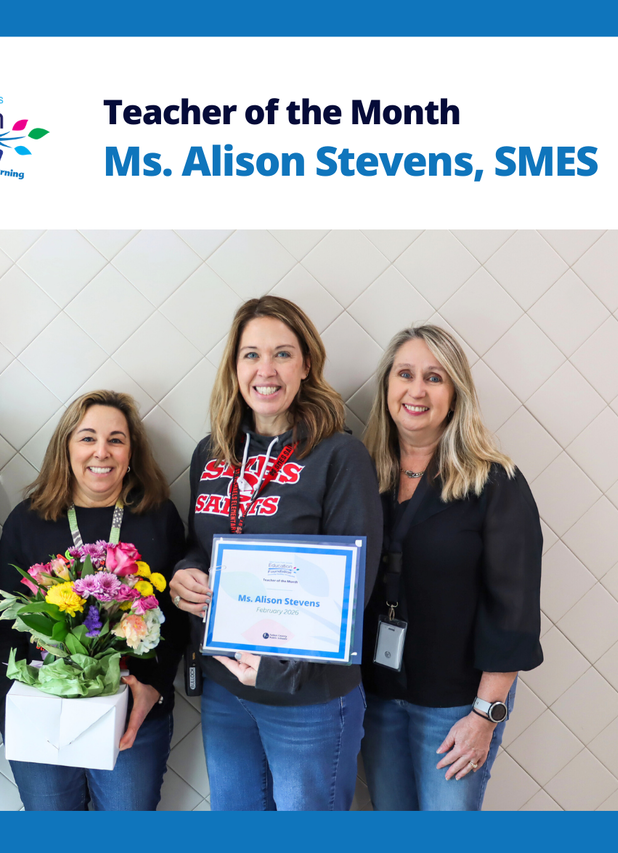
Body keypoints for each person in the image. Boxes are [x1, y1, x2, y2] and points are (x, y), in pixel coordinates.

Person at [169, 295, 383, 811]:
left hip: (307, 698)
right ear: (234, 366)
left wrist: (279, 671)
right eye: (251, 355)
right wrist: (184, 576)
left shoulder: (339, 455)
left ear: (306, 364)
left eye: (283, 353)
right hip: (227, 687)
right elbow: (202, 547)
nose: (266, 369)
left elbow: (354, 587)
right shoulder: (212, 452)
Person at [359, 324, 543, 811]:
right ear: (387, 387)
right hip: (377, 700)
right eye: (405, 374)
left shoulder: (496, 482)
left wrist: (486, 715)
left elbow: (514, 612)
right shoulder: (359, 476)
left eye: (434, 377)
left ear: (456, 393)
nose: (417, 390)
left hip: (457, 709)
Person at [0, 390, 187, 811]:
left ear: (132, 451)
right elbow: (4, 625)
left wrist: (153, 689)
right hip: (43, 712)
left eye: (116, 439)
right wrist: (10, 704)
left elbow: (177, 618)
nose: (102, 451)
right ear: (66, 447)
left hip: (133, 712)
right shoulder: (29, 519)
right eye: (87, 438)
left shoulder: (158, 516)